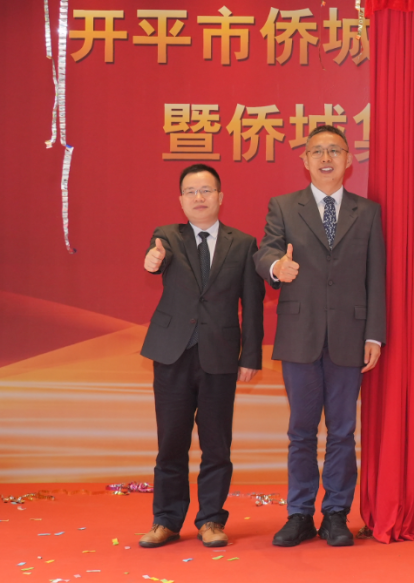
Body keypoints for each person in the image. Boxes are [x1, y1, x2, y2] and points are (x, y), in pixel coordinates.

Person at [254, 124, 386, 547]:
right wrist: (277, 267)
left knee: (343, 431)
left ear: (349, 160)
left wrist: (375, 335)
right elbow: (265, 251)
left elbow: (376, 277)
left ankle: (335, 514)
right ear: (305, 160)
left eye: (334, 150)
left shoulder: (367, 212)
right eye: (317, 151)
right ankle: (299, 514)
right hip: (300, 333)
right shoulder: (283, 206)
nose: (326, 158)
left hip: (350, 335)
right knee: (301, 431)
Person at [138, 164, 265, 548]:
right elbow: (155, 257)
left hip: (220, 356)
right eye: (191, 191)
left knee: (217, 446)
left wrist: (251, 355)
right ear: (181, 200)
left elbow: (253, 305)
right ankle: (166, 520)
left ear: (220, 197)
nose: (199, 197)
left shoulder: (243, 244)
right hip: (172, 355)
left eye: (206, 190)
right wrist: (152, 260)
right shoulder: (167, 237)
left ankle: (211, 519)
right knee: (171, 443)